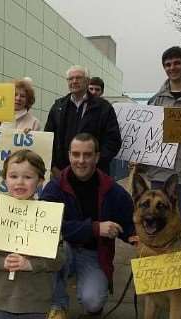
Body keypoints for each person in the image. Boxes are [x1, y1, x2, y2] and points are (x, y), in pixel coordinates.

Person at [41, 133, 134, 319]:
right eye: (76, 154)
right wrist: (95, 228)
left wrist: (142, 239)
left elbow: (129, 225)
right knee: (50, 252)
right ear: (69, 156)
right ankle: (58, 305)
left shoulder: (113, 191)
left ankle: (91, 295)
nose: (81, 161)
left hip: (94, 254)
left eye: (87, 155)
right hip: (62, 250)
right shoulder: (54, 187)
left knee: (93, 302)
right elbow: (45, 225)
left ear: (97, 157)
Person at [0, 150, 64, 319]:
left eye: (27, 177)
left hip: (35, 302)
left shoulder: (48, 216)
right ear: (4, 179)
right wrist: (2, 262)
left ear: (40, 181)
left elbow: (59, 259)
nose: (20, 182)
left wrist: (30, 264)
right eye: (13, 176)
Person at [139, 46, 181, 232]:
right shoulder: (154, 101)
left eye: (177, 63)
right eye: (167, 64)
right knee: (157, 226)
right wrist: (139, 161)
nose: (172, 67)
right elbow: (146, 137)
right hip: (159, 175)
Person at [44, 65, 121, 176]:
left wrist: (94, 164)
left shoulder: (104, 108)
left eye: (78, 78)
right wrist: (53, 167)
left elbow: (113, 141)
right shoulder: (57, 107)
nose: (74, 81)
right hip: (62, 174)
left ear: (87, 81)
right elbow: (48, 138)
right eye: (70, 79)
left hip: (94, 175)